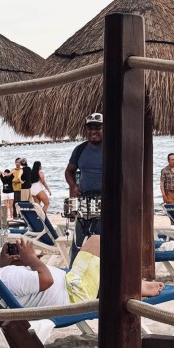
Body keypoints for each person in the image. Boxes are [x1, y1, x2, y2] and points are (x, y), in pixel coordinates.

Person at [0, 235, 164, 309]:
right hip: (74, 294)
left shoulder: (1, 277)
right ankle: (133, 285)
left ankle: (127, 284)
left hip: (70, 284)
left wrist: (6, 264)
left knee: (94, 249)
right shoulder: (8, 278)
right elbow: (46, 280)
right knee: (97, 241)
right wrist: (31, 259)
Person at [65, 112, 104, 263]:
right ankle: (73, 273)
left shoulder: (114, 147)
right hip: (85, 201)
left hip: (107, 201)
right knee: (79, 242)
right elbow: (69, 171)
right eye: (90, 128)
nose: (93, 131)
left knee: (103, 241)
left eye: (97, 128)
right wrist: (73, 186)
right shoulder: (80, 149)